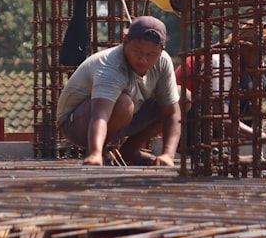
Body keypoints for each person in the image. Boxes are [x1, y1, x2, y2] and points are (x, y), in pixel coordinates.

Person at [56, 15, 181, 166]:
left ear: (161, 51)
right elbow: (100, 114)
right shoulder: (111, 66)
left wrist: (168, 155)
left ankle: (130, 149)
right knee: (124, 104)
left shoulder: (163, 62)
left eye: (150, 55)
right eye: (138, 51)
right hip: (76, 124)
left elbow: (171, 113)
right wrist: (95, 153)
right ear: (125, 41)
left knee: (182, 97)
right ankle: (98, 152)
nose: (143, 59)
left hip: (121, 117)